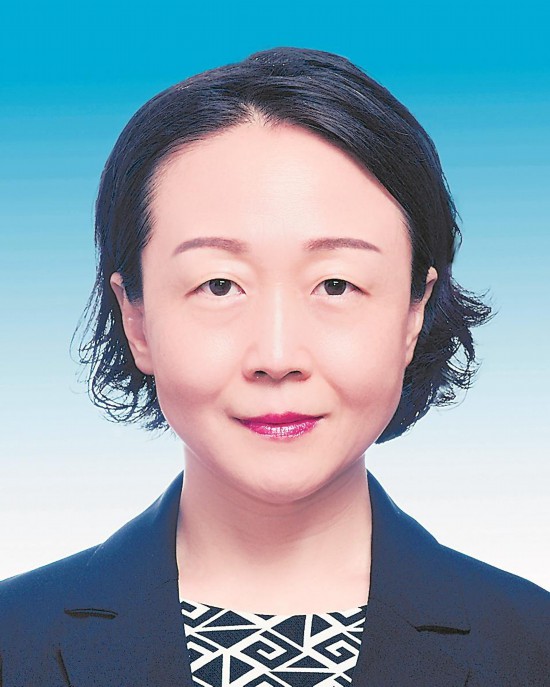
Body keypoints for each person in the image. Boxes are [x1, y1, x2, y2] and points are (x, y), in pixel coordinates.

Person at [1, 46, 548, 686]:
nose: (278, 357)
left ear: (413, 312)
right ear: (137, 318)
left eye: (336, 285)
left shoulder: (532, 647)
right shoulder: (15, 640)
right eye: (219, 285)